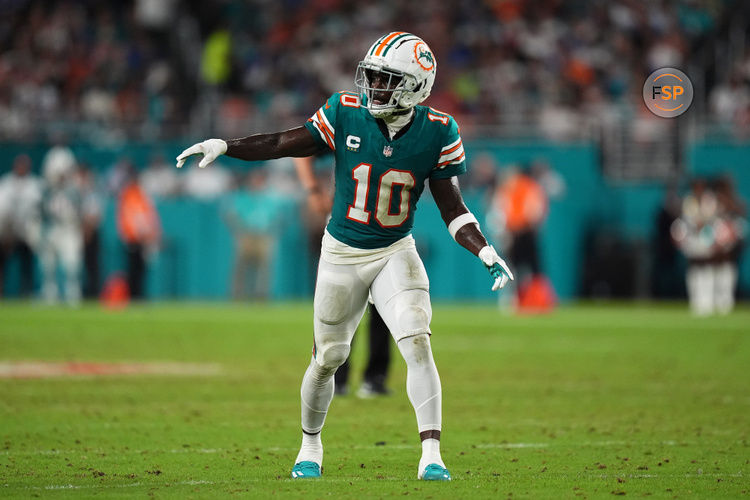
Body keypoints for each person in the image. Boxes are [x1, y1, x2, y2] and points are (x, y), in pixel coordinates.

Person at [176, 32, 513, 481]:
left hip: (395, 250)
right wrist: (228, 145)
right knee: (328, 357)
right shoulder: (345, 111)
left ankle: (431, 455)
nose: (372, 85)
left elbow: (453, 208)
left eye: (385, 78)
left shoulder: (438, 130)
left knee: (417, 339)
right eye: (371, 75)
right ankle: (309, 447)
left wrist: (485, 249)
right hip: (340, 254)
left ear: (414, 85)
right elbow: (283, 142)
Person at [294, 156, 392, 398]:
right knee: (337, 311)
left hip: (385, 234)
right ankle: (337, 378)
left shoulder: (395, 131)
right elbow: (303, 153)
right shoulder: (348, 124)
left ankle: (374, 378)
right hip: (345, 234)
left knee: (383, 309)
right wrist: (314, 191)